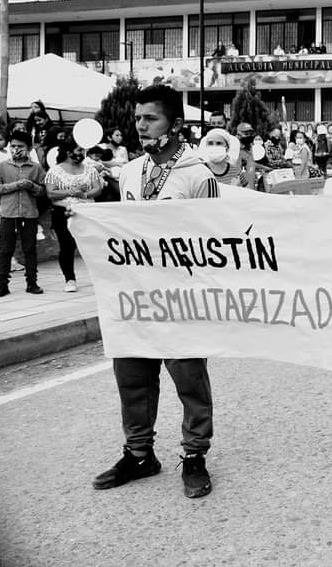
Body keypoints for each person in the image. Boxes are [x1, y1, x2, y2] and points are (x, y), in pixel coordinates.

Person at [94, 84, 218, 499]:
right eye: (138, 119)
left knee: (188, 378)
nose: (141, 126)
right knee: (131, 377)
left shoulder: (199, 174)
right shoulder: (130, 171)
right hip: (134, 296)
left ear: (175, 124)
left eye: (151, 119)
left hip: (180, 297)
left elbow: (214, 237)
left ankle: (195, 454)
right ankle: (139, 454)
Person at [0, 130, 46, 297]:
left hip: (28, 214)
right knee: (5, 250)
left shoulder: (36, 167)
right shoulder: (2, 166)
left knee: (30, 250)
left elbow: (43, 191)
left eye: (20, 146)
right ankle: (2, 285)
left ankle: (32, 283)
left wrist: (31, 186)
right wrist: (15, 185)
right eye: (13, 146)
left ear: (28, 148)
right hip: (8, 214)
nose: (16, 149)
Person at [45, 136, 103, 292]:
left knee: (92, 245)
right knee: (67, 246)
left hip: (87, 212)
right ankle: (70, 279)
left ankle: (100, 277)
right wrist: (70, 192)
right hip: (63, 212)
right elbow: (50, 193)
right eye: (79, 150)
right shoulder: (55, 171)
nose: (82, 153)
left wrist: (84, 195)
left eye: (83, 150)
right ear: (68, 152)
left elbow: (98, 188)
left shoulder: (90, 169)